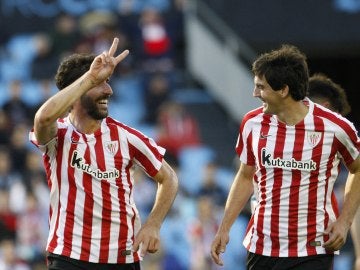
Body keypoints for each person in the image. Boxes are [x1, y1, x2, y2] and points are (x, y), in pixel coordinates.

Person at [29, 38, 179, 270]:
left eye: (107, 82)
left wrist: (153, 224)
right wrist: (90, 77)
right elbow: (43, 118)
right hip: (69, 255)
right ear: (78, 89)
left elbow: (169, 177)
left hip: (121, 258)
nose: (108, 90)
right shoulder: (57, 135)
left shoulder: (126, 137)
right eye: (101, 83)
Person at [210, 44, 360, 270]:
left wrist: (344, 221)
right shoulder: (252, 124)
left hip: (312, 248)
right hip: (262, 246)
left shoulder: (335, 128)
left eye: (261, 87)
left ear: (283, 90)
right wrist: (224, 227)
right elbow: (244, 176)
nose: (255, 93)